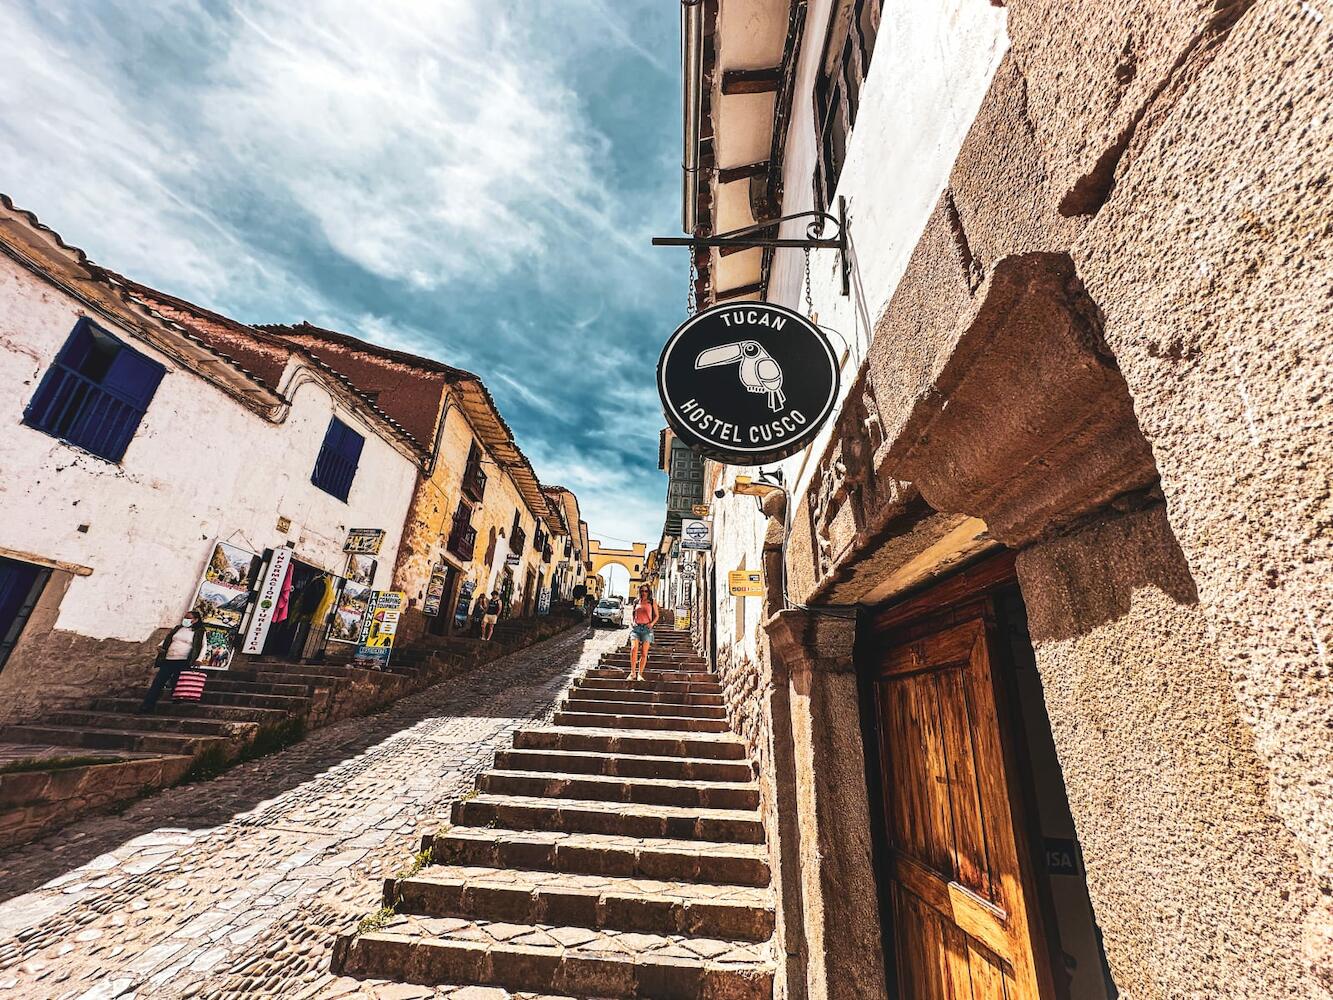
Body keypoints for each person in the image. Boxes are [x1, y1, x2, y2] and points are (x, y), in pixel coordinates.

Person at [140, 610, 205, 713]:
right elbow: (168, 638)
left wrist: (199, 659)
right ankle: (147, 706)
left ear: (195, 620)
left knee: (177, 684)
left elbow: (203, 646)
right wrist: (161, 646)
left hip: (183, 661)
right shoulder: (178, 629)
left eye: (188, 618)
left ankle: (177, 706)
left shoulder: (199, 632)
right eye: (185, 617)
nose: (186, 620)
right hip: (169, 659)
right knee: (158, 683)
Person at [627, 585, 660, 682]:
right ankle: (633, 673)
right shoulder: (636, 601)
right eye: (642, 591)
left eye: (646, 591)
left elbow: (657, 616)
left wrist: (652, 624)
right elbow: (633, 614)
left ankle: (640, 674)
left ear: (649, 592)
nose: (644, 593)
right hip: (636, 628)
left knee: (644, 653)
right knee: (634, 649)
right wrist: (632, 622)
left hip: (647, 629)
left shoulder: (652, 601)